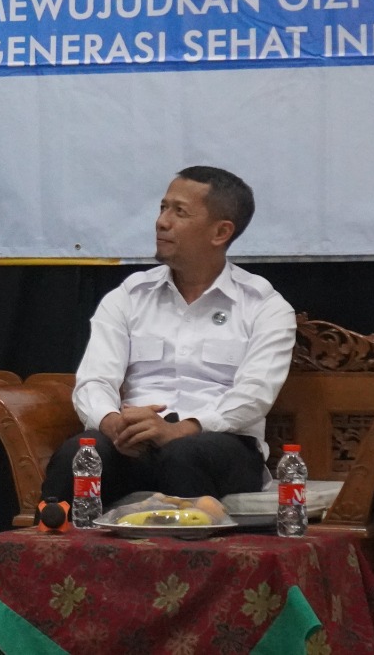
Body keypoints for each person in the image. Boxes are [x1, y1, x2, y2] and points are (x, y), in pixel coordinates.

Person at [41, 166, 296, 508]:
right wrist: (112, 423)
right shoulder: (129, 296)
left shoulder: (264, 306)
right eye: (163, 208)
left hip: (221, 446)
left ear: (220, 232)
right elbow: (94, 381)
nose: (162, 222)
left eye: (180, 212)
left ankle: (190, 545)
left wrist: (181, 429)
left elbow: (254, 395)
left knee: (184, 455)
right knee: (82, 453)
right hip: (135, 443)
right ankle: (52, 542)